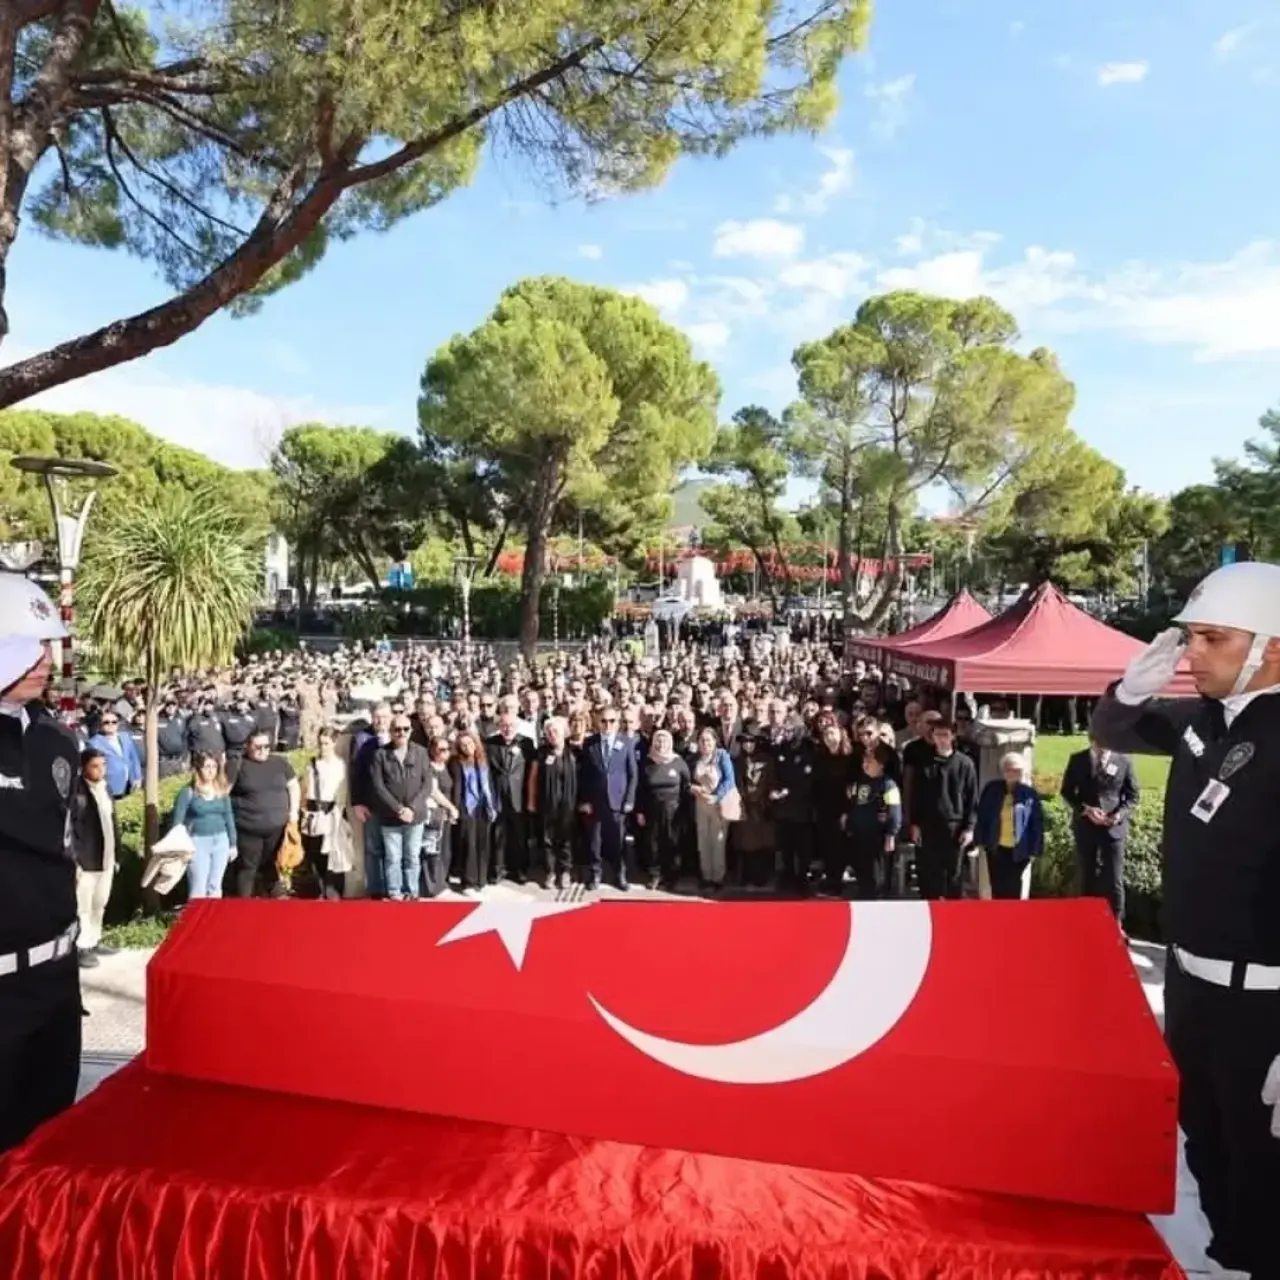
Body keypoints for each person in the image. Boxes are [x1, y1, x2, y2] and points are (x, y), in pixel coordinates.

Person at [1091, 561, 1280, 1279]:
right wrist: (1128, 691)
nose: (1191, 654)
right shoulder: (1206, 719)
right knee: (1210, 1151)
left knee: (1266, 1178)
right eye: (1191, 637)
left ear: (1272, 648)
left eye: (1212, 638)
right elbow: (1113, 727)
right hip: (1194, 988)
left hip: (1267, 1003)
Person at [0, 575, 83, 1153]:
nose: (44, 660)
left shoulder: (57, 741)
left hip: (55, 979)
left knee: (48, 1147)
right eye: (28, 645)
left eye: (48, 645)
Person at [1060, 735, 1139, 922]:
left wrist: (1118, 815)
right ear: (1092, 741)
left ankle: (1116, 921)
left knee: (1114, 878)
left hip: (1113, 828)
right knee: (1086, 874)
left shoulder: (1124, 760)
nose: (1102, 748)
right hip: (1086, 827)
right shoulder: (1078, 760)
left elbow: (1132, 795)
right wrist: (1085, 810)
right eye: (1098, 743)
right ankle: (1085, 918)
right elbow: (1067, 792)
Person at [906, 719, 978, 901]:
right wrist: (914, 823)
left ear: (953, 736)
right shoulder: (924, 763)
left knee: (953, 875)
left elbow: (972, 799)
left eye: (945, 735)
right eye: (937, 735)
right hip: (927, 826)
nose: (941, 739)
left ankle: (953, 917)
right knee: (927, 874)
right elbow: (916, 796)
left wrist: (969, 828)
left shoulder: (965, 764)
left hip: (954, 827)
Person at [369, 712, 433, 901]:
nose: (401, 733)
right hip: (390, 817)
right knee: (393, 858)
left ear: (411, 731)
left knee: (413, 856)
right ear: (390, 731)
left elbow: (427, 784)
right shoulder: (380, 755)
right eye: (397, 729)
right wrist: (398, 809)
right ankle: (395, 893)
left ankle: (411, 892)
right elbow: (378, 787)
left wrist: (412, 808)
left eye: (405, 729)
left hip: (416, 816)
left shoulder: (421, 753)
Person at [228, 729, 299, 898]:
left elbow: (293, 785)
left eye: (267, 746)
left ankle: (275, 903)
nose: (263, 750)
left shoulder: (280, 763)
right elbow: (224, 792)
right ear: (248, 746)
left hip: (277, 829)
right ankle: (244, 907)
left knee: (272, 865)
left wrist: (293, 812)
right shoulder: (238, 765)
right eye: (258, 747)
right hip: (249, 829)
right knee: (248, 868)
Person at [70, 748, 120, 968]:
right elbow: (70, 828)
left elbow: (112, 822)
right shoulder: (77, 792)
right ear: (84, 768)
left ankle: (95, 938)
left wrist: (117, 853)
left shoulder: (105, 788)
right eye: (95, 766)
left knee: (100, 902)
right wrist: (75, 860)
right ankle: (82, 946)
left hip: (107, 857)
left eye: (103, 765)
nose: (101, 770)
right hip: (86, 859)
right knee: (83, 904)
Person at [579, 705, 638, 891]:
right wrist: (584, 800)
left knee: (618, 841)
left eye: (612, 721)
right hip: (595, 802)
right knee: (595, 841)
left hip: (618, 801)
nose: (607, 725)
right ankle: (596, 873)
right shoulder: (590, 743)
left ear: (617, 722)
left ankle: (619, 874)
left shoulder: (626, 743)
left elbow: (632, 774)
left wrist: (629, 800)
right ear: (597, 722)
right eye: (603, 721)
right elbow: (584, 775)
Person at [974, 753, 1044, 900]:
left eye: (1016, 770)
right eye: (1008, 769)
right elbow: (982, 816)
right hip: (995, 848)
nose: (1012, 773)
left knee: (1013, 888)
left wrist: (1035, 850)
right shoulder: (992, 789)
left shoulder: (1029, 794)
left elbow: (1036, 823)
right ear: (1003, 771)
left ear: (1022, 772)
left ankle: (1013, 920)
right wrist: (980, 841)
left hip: (1019, 851)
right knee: (997, 888)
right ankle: (998, 920)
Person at [171, 752, 237, 900]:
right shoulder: (188, 792)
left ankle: (214, 920)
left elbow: (228, 816)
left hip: (221, 841)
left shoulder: (221, 791)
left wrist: (233, 843)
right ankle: (196, 920)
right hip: (198, 842)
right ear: (198, 769)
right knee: (198, 886)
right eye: (207, 766)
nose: (211, 770)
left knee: (215, 886)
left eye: (214, 766)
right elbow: (177, 823)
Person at [689, 726, 735, 892]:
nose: (705, 743)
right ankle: (706, 876)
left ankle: (718, 877)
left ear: (715, 741)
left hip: (718, 804)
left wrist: (716, 796)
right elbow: (687, 779)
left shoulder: (722, 756)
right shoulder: (695, 758)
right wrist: (693, 788)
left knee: (718, 841)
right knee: (703, 840)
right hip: (700, 803)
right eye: (702, 740)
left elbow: (729, 780)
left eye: (708, 740)